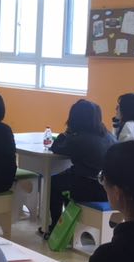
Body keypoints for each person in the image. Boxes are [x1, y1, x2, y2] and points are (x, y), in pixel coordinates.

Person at [44, 99, 116, 238]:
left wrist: (67, 132)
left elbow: (56, 147)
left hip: (89, 188)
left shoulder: (78, 139)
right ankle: (71, 223)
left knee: (54, 182)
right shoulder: (109, 137)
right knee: (67, 179)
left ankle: (56, 227)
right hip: (108, 188)